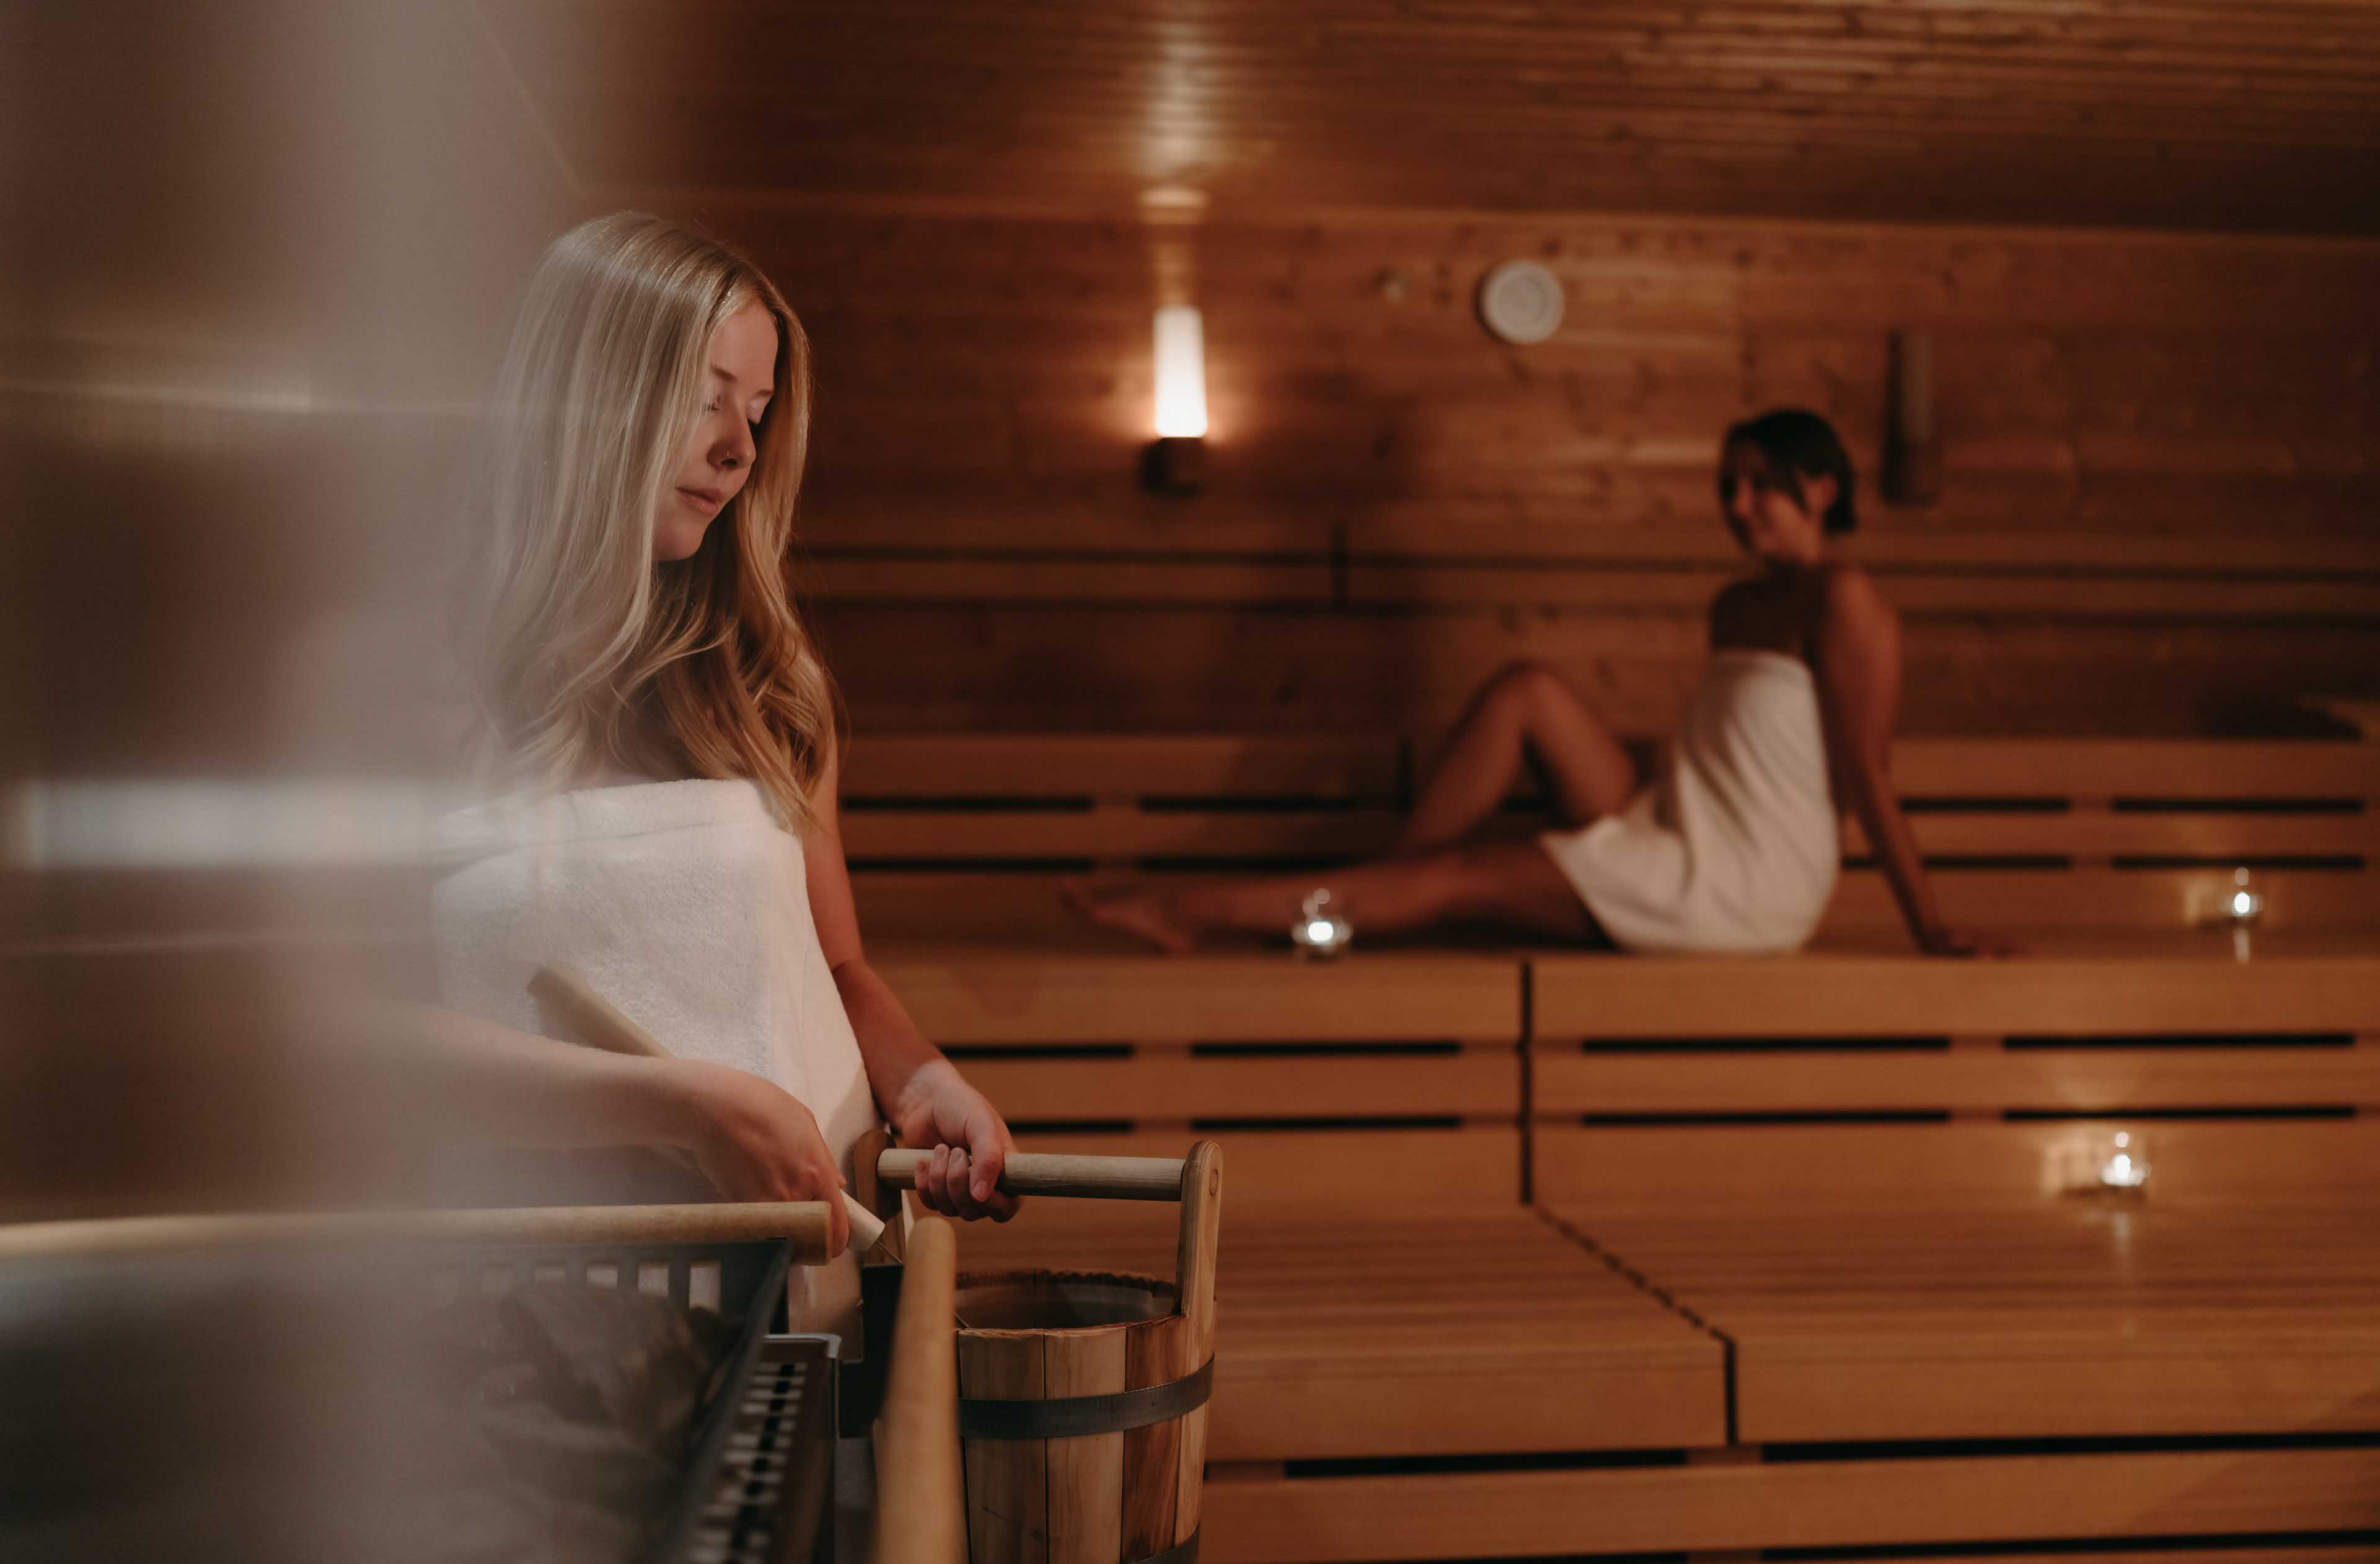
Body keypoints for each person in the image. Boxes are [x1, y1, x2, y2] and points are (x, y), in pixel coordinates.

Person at [406, 214, 1016, 1337]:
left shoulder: (767, 687)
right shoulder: (407, 689)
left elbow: (837, 966)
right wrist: (680, 1104)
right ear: (587, 390)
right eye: (707, 395)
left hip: (801, 1295)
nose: (740, 448)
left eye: (761, 408)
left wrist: (921, 1080)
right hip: (527, 1306)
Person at [1071, 409, 2001, 958]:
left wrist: (1934, 928)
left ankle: (1198, 906)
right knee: (1528, 687)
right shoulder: (1735, 606)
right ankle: (1391, 887)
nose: (1736, 505)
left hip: (1753, 880)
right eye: (1728, 487)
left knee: (1469, 872)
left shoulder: (1847, 599)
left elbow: (1867, 773)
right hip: (1681, 822)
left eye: (1758, 484)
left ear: (1820, 486)